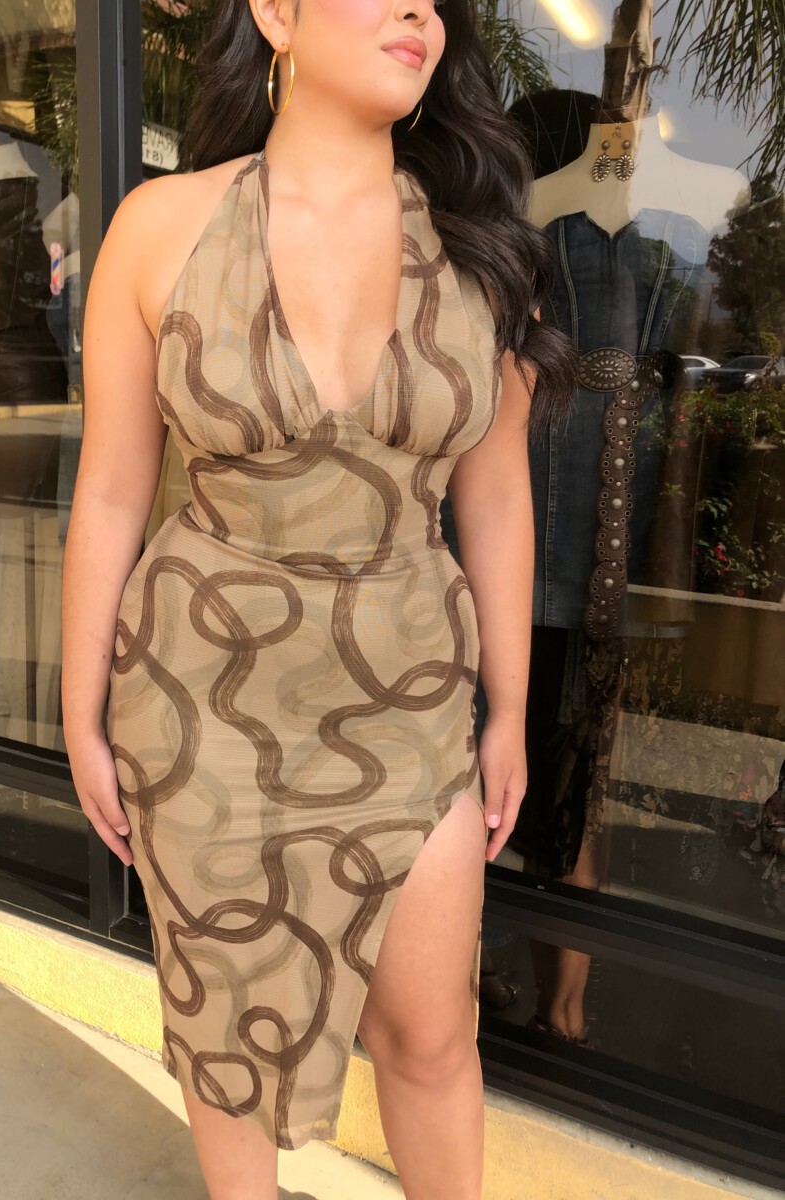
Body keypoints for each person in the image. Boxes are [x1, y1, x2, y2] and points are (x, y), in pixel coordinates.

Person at [61, 0, 576, 1194]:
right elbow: (113, 489)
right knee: (224, 1029)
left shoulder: (480, 245)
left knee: (430, 1036)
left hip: (411, 692)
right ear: (277, 14)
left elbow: (498, 500)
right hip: (200, 696)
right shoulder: (161, 226)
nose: (420, 11)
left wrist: (508, 709)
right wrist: (81, 709)